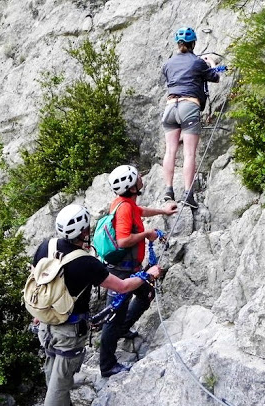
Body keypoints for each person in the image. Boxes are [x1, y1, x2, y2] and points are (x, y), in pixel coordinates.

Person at [34, 203, 163, 406]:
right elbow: (121, 286)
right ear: (84, 231)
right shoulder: (85, 262)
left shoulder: (45, 246)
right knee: (58, 386)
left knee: (53, 365)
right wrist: (148, 274)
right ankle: (60, 393)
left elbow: (38, 281)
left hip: (45, 322)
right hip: (68, 330)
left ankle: (62, 385)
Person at [99, 164, 177, 378]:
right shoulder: (124, 208)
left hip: (130, 269)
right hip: (121, 273)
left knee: (145, 295)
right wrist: (147, 234)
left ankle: (124, 328)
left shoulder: (123, 202)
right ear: (132, 188)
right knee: (114, 317)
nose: (141, 177)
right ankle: (107, 365)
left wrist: (163, 211)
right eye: (137, 177)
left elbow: (140, 212)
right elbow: (123, 240)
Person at [161, 26, 224, 208]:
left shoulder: (168, 63)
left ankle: (168, 190)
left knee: (170, 151)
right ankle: (188, 195)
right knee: (189, 153)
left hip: (170, 107)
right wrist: (210, 62)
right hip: (189, 106)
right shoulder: (198, 62)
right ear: (193, 43)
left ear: (178, 44)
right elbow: (216, 77)